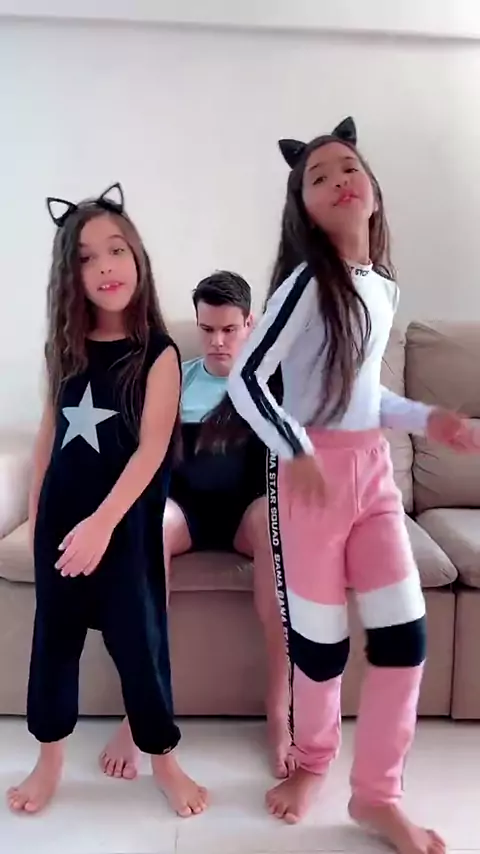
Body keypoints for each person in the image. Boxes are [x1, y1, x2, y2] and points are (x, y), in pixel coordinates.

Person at [228, 118, 479, 853]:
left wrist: (429, 418)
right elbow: (248, 379)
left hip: (373, 477)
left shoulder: (382, 289)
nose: (340, 179)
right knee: (321, 647)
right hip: (309, 481)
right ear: (304, 208)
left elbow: (366, 397)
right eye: (319, 176)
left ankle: (377, 797)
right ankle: (313, 763)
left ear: (372, 189)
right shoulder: (307, 284)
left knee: (404, 639)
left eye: (349, 167)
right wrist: (295, 448)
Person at [7, 183, 207, 818]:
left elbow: (151, 452)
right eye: (86, 258)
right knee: (54, 642)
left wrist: (102, 525)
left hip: (123, 526)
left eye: (116, 250)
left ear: (137, 256)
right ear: (71, 275)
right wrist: (39, 515)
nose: (105, 267)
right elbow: (48, 435)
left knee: (139, 644)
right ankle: (49, 761)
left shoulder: (159, 354)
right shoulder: (64, 348)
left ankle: (164, 761)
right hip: (63, 522)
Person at [100, 271, 291, 781]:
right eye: (208, 330)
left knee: (277, 531)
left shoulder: (272, 383)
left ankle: (280, 709)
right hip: (184, 509)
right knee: (148, 532)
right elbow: (142, 456)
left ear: (250, 323)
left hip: (246, 510)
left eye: (229, 329)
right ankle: (141, 710)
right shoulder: (175, 379)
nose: (218, 341)